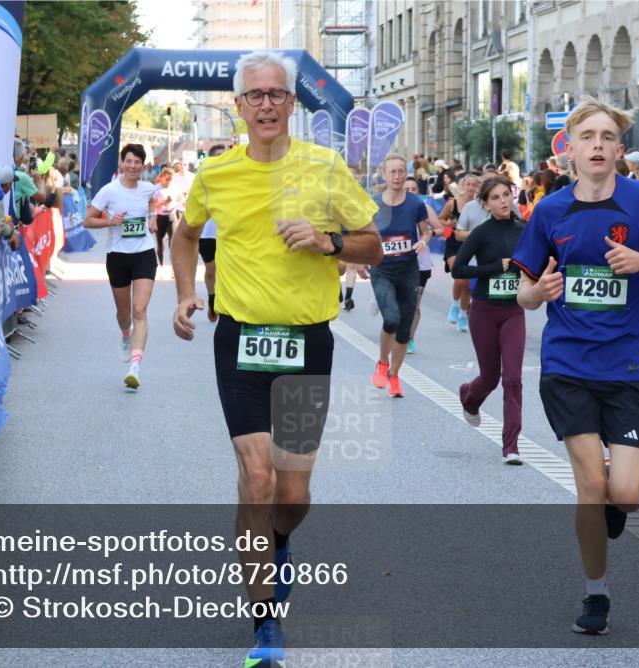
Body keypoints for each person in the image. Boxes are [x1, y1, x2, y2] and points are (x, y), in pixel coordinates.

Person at [171, 50, 381, 667]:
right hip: (239, 337)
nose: (266, 104)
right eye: (255, 95)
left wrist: (328, 241)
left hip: (305, 342)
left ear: (293, 104)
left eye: (277, 95)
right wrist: (188, 293)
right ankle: (265, 627)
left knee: (292, 496)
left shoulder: (324, 167)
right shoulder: (216, 174)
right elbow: (185, 234)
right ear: (238, 106)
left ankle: (270, 537)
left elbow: (373, 245)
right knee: (257, 477)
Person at [512, 96, 639, 636]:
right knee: (591, 486)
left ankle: (621, 482)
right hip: (567, 364)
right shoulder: (549, 210)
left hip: (631, 366)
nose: (596, 145)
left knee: (628, 496)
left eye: (606, 137)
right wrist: (537, 291)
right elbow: (523, 292)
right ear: (569, 147)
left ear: (620, 148)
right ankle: (597, 594)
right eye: (586, 136)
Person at [452, 175, 527, 464]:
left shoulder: (525, 229)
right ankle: (469, 396)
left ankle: (511, 445)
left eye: (506, 194)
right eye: (495, 197)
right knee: (490, 377)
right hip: (483, 311)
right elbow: (458, 269)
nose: (503, 201)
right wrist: (495, 267)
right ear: (485, 204)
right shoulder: (481, 233)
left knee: (513, 378)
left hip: (513, 311)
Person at [83, 143, 159, 389]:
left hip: (144, 253)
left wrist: (153, 217)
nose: (133, 166)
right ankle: (126, 335)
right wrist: (111, 222)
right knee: (125, 314)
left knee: (140, 310)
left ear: (143, 165)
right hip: (118, 256)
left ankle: (135, 368)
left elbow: (151, 204)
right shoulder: (109, 191)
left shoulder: (147, 188)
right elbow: (88, 220)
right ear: (122, 163)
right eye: (129, 161)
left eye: (137, 162)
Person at [369, 155, 431, 397]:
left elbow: (426, 231)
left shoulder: (415, 203)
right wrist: (363, 258)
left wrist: (423, 242)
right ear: (385, 174)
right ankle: (383, 361)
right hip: (382, 269)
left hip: (408, 269)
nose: (397, 176)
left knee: (404, 329)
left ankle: (394, 376)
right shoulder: (374, 204)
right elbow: (366, 236)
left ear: (405, 174)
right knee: (391, 319)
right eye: (392, 172)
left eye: (400, 172)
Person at [404, 178, 443, 353]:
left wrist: (427, 234)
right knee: (399, 301)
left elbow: (441, 229)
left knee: (414, 303)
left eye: (414, 188)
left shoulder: (425, 208)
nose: (411, 191)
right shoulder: (394, 209)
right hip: (399, 261)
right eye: (408, 188)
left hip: (421, 263)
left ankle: (409, 338)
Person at [197, 144, 227, 322]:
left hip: (228, 234)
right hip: (207, 235)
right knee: (211, 270)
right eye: (218, 155)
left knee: (228, 270)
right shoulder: (204, 179)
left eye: (224, 155)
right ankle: (212, 297)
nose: (222, 158)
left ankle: (226, 303)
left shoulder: (236, 179)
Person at [447, 173, 480, 331]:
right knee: (459, 278)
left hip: (472, 246)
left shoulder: (480, 205)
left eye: (474, 185)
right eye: (468, 184)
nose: (471, 187)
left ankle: (462, 314)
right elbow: (440, 220)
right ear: (462, 186)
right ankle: (454, 304)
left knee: (467, 285)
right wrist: (450, 223)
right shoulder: (453, 203)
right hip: (454, 244)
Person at [151, 167, 179, 267]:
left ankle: (173, 268)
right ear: (162, 177)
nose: (169, 182)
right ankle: (161, 266)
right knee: (160, 245)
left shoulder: (174, 186)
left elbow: (180, 198)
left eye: (170, 179)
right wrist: (164, 202)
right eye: (167, 179)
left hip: (172, 216)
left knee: (173, 244)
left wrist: (180, 202)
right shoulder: (156, 189)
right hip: (160, 217)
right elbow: (152, 206)